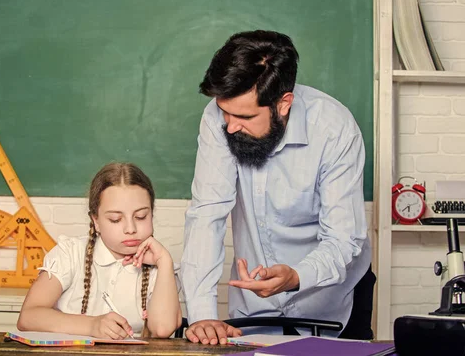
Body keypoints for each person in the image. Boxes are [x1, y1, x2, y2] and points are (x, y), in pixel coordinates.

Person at [180, 30, 375, 345]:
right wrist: (202, 315)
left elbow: (343, 239)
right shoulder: (220, 117)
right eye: (224, 112)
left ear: (284, 104)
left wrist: (297, 276)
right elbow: (206, 215)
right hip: (254, 304)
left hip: (332, 297)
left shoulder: (335, 128)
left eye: (244, 116)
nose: (230, 126)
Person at [18, 162, 182, 339]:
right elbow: (28, 317)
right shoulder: (71, 253)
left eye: (141, 216)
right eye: (115, 219)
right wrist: (92, 325)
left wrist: (164, 260)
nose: (130, 228)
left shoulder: (159, 266)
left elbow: (163, 329)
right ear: (95, 220)